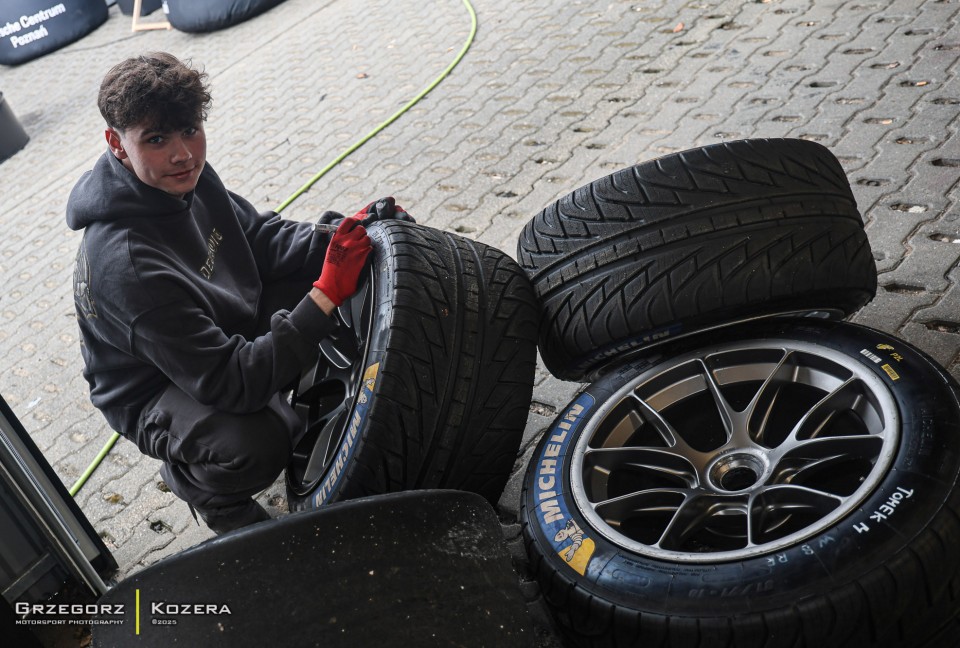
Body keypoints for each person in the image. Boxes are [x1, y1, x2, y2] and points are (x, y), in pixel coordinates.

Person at [66, 52, 410, 534]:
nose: (183, 153)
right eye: (157, 139)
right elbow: (233, 383)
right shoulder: (125, 266)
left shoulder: (184, 173)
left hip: (215, 326)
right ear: (117, 145)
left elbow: (259, 240)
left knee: (335, 270)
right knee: (260, 438)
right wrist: (326, 295)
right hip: (160, 388)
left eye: (190, 129)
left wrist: (340, 237)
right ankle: (206, 490)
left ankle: (312, 379)